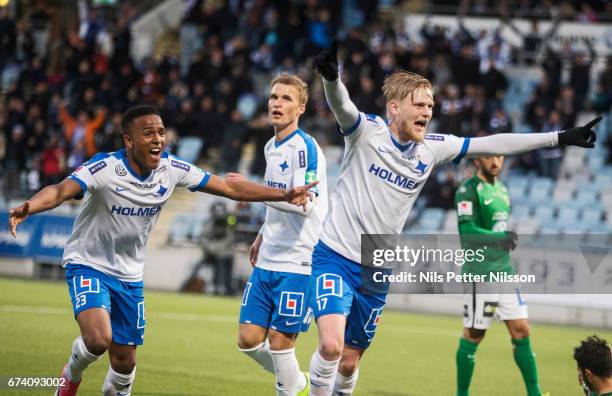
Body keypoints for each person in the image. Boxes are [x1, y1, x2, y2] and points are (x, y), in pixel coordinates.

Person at [309, 40, 600, 395]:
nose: (427, 111)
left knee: (351, 360)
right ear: (395, 107)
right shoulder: (366, 133)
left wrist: (559, 137)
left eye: (431, 105)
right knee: (331, 346)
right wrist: (331, 77)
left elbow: (494, 143)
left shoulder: (433, 148)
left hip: (376, 265)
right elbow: (342, 106)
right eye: (419, 104)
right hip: (335, 256)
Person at [8, 105, 316, 396]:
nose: (158, 139)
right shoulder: (104, 167)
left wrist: (284, 194)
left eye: (161, 132)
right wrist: (30, 206)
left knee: (125, 363)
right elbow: (61, 191)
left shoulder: (171, 168)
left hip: (129, 274)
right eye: (148, 133)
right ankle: (71, 375)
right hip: (88, 263)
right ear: (128, 140)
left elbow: (230, 188)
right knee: (98, 338)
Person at [237, 74, 328, 396]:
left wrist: (256, 193)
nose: (277, 103)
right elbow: (277, 199)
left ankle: (290, 389)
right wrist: (262, 232)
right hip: (269, 257)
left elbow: (304, 205)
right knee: (247, 340)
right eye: (274, 97)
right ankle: (299, 382)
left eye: (286, 98)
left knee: (280, 343)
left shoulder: (304, 147)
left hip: (299, 259)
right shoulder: (269, 146)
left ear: (301, 107)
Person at [454, 155, 543, 396]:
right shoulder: (467, 190)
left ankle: (535, 393)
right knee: (474, 335)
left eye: (499, 156)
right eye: (489, 156)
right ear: (477, 160)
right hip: (480, 274)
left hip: (504, 271)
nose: (495, 161)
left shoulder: (502, 189)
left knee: (522, 330)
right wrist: (500, 239)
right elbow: (467, 232)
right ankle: (461, 394)